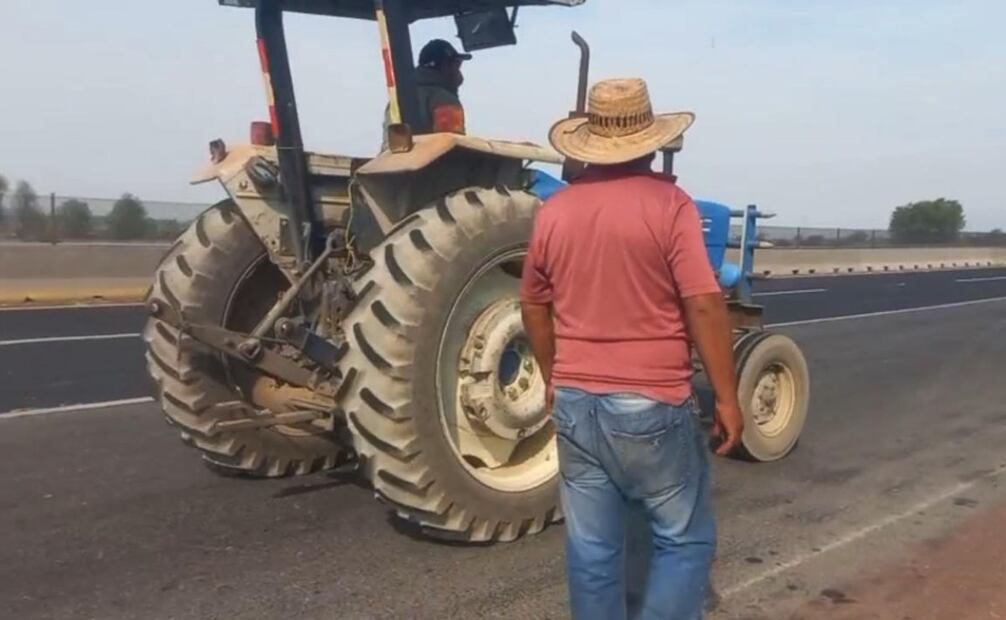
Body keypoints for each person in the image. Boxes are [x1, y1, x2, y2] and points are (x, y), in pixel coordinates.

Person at [520, 78, 744, 620]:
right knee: (682, 539)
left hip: (575, 400)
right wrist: (728, 399)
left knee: (594, 549)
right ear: (648, 140)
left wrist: (556, 375)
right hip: (649, 401)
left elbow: (532, 305)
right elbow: (706, 304)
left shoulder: (555, 212)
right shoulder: (670, 206)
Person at [381, 39, 470, 150]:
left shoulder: (397, 100)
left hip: (392, 165)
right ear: (445, 66)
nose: (459, 72)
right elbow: (451, 147)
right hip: (433, 166)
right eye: (456, 65)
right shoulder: (444, 100)